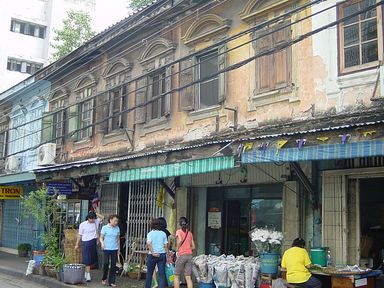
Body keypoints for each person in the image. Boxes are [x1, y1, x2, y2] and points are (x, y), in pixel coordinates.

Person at [75, 211, 104, 282]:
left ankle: (86, 273)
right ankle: (88, 275)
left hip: (93, 242)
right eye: (91, 219)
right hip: (85, 242)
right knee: (86, 259)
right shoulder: (83, 224)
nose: (92, 220)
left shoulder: (96, 222)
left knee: (91, 259)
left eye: (94, 219)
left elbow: (103, 217)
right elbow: (80, 235)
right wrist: (77, 244)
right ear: (88, 218)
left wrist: (95, 213)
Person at [145, 218, 169, 288]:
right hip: (162, 255)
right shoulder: (163, 233)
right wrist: (168, 256)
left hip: (152, 255)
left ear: (151, 226)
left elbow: (149, 244)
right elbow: (166, 246)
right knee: (161, 274)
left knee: (149, 273)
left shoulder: (150, 234)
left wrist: (152, 252)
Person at [174, 217, 195, 288]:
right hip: (189, 255)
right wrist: (188, 248)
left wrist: (177, 249)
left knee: (176, 275)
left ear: (180, 224)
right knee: (188, 277)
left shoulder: (178, 231)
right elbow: (193, 247)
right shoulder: (190, 233)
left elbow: (180, 240)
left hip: (182, 255)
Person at [100, 214, 120, 287]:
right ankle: (104, 277)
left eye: (117, 221)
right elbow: (101, 237)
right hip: (106, 249)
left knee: (113, 265)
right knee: (106, 264)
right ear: (110, 220)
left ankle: (111, 281)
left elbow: (118, 239)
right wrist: (102, 243)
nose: (116, 222)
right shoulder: (105, 227)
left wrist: (119, 249)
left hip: (114, 249)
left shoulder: (117, 228)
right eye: (115, 221)